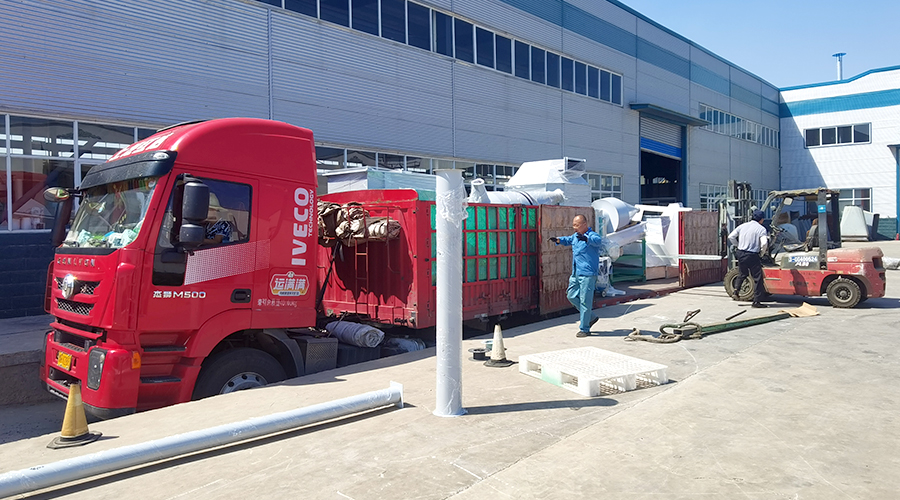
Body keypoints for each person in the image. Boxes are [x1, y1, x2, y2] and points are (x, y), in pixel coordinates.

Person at [549, 214, 604, 337]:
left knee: (585, 301)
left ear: (584, 224)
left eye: (577, 225)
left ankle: (584, 329)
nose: (574, 227)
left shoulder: (592, 235)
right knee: (571, 295)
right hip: (576, 273)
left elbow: (598, 241)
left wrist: (586, 239)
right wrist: (558, 240)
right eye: (573, 225)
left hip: (588, 274)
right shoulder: (575, 236)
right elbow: (568, 240)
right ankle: (590, 317)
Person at [728, 209, 769, 308]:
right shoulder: (761, 229)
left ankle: (736, 291)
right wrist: (762, 253)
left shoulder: (742, 226)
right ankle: (756, 301)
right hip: (752, 255)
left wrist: (738, 245)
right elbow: (764, 243)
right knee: (757, 278)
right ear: (761, 219)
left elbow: (731, 236)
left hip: (740, 253)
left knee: (742, 273)